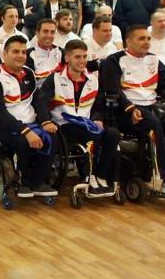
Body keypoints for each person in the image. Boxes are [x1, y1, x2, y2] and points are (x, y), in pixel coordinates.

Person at [100, 24, 165, 198]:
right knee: (152, 123)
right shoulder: (114, 61)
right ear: (128, 41)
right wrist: (130, 108)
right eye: (141, 38)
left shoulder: (154, 60)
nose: (146, 42)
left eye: (148, 38)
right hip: (126, 110)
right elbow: (112, 90)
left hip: (152, 106)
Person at [39, 39, 118, 196]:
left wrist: (98, 118)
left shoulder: (93, 80)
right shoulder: (54, 79)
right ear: (67, 58)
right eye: (78, 57)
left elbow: (98, 105)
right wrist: (46, 121)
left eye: (84, 56)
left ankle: (101, 175)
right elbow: (41, 103)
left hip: (87, 123)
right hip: (63, 125)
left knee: (113, 135)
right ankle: (89, 176)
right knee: (91, 135)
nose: (82, 61)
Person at [0, 36, 54, 199]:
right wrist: (25, 131)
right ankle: (22, 181)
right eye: (15, 52)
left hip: (29, 122)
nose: (20, 55)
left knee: (51, 136)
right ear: (5, 54)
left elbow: (37, 99)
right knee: (22, 141)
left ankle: (36, 181)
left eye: (23, 52)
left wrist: (45, 120)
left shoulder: (29, 73)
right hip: (1, 126)